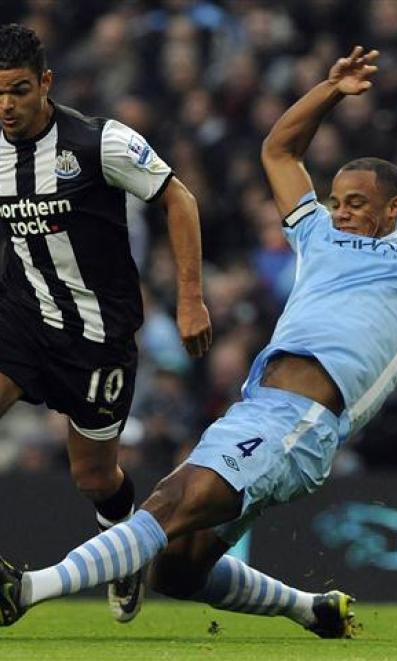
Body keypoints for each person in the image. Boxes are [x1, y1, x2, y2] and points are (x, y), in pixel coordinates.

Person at [2, 44, 397, 638]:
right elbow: (279, 150)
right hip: (259, 407)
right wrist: (330, 90)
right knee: (176, 571)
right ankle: (310, 609)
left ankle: (27, 589)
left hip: (304, 420)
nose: (340, 213)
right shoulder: (317, 234)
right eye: (336, 201)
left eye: (357, 205)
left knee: (172, 500)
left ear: (394, 209)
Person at [0, 24, 211, 623]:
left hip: (98, 337)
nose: (7, 106)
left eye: (18, 90)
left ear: (46, 83)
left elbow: (180, 200)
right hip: (20, 318)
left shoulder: (101, 143)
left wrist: (190, 298)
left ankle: (123, 555)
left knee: (93, 475)